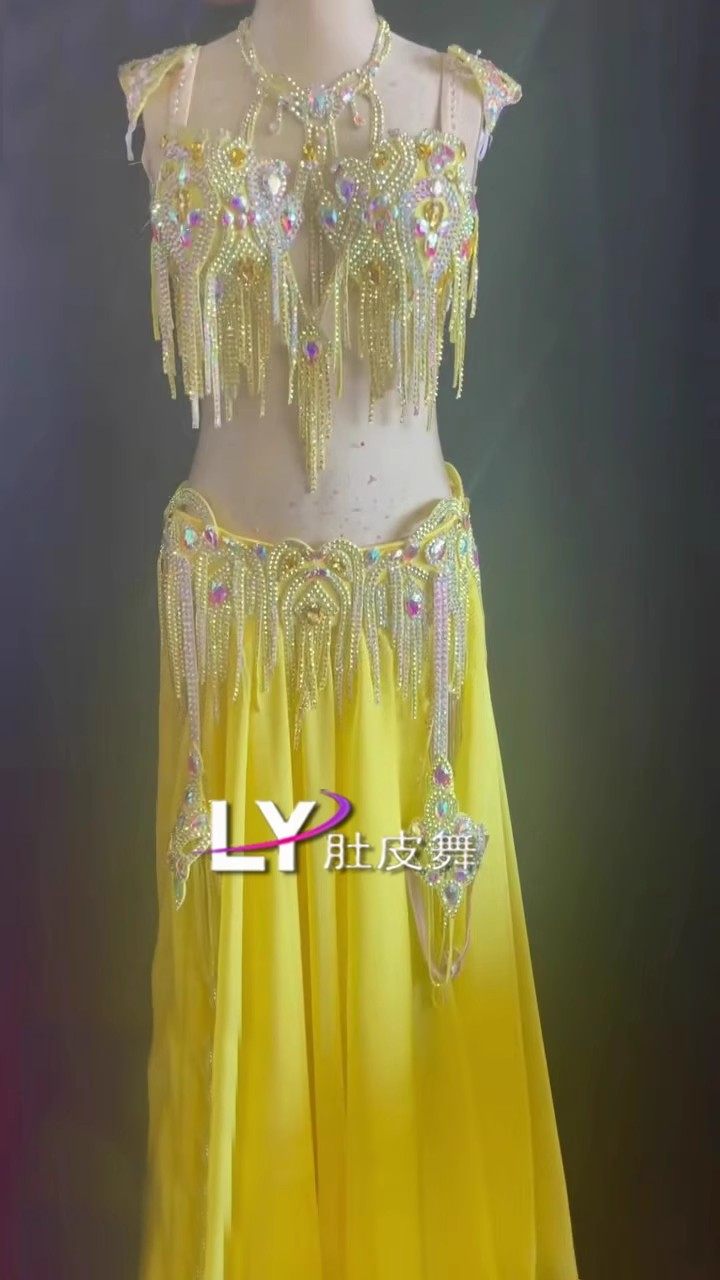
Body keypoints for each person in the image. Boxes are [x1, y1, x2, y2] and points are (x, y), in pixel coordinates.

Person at [118, 2, 580, 1275]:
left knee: (417, 990)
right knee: (242, 1010)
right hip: (233, 647)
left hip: (409, 640)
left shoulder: (458, 96)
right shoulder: (170, 97)